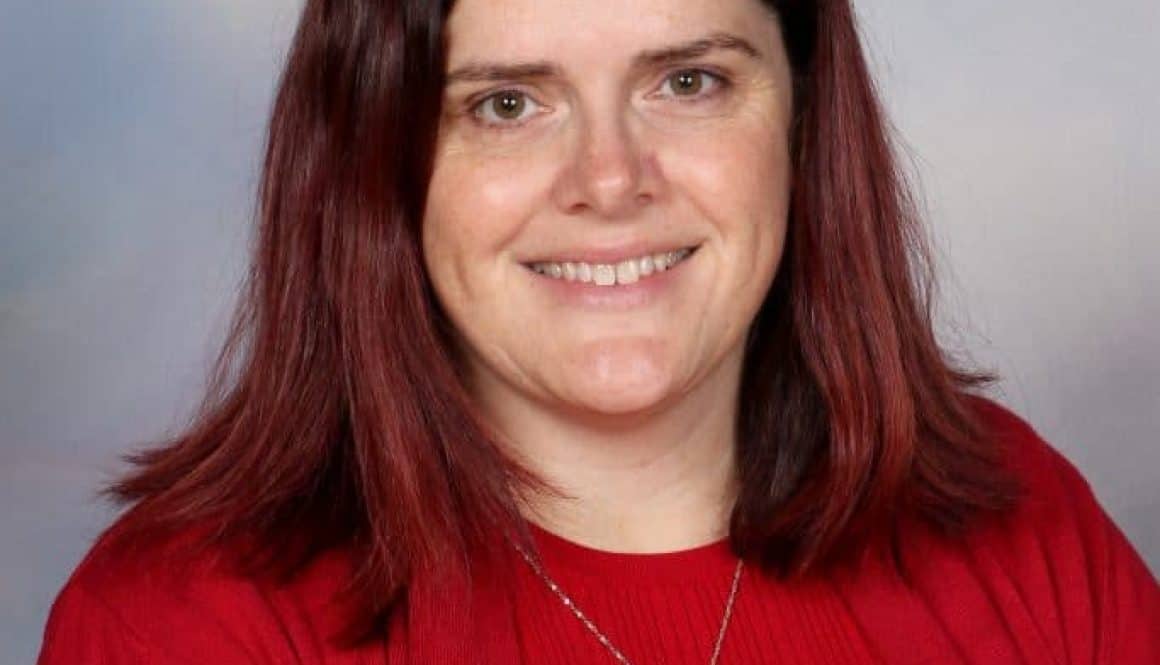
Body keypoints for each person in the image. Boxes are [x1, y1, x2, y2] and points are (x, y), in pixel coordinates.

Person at [38, 0, 1159, 662]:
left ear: (803, 120)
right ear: (375, 161)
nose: (609, 181)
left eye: (687, 79)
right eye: (505, 104)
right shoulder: (181, 621)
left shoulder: (1021, 523)